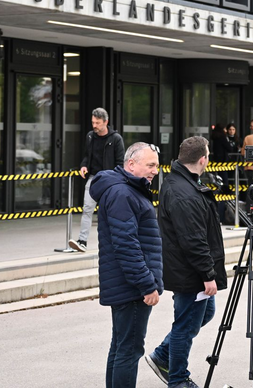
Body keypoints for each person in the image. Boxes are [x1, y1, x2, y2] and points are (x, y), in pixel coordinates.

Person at [146, 136, 227, 388]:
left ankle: (162, 354)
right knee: (185, 324)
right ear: (202, 159)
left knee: (205, 313)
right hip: (189, 272)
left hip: (187, 268)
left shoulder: (181, 181)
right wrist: (207, 275)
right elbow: (193, 240)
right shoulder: (184, 193)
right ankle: (178, 378)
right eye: (209, 154)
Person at [90, 142, 163, 388]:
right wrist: (146, 284)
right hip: (131, 287)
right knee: (129, 350)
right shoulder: (122, 193)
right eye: (150, 165)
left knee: (121, 347)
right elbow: (126, 245)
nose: (155, 171)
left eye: (157, 165)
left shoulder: (126, 190)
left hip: (125, 283)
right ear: (131, 164)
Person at [69, 108, 125, 252]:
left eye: (97, 123)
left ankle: (114, 242)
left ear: (105, 122)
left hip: (110, 180)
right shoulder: (90, 137)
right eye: (93, 122)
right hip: (93, 178)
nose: (94, 125)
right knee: (87, 209)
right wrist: (83, 166)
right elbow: (87, 156)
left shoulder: (116, 139)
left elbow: (120, 163)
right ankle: (82, 241)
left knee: (110, 212)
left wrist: (116, 181)